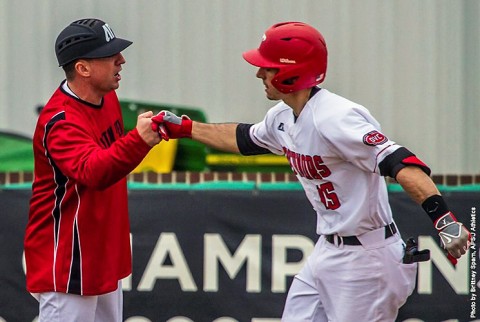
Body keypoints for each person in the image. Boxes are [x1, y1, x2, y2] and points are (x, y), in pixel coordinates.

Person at [151, 22, 471, 321]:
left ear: (291, 73)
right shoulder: (284, 115)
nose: (260, 72)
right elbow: (244, 139)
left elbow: (400, 162)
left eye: (269, 66)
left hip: (366, 260)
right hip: (327, 250)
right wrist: (188, 129)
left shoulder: (335, 117)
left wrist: (444, 219)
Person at [24, 18, 161, 321]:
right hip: (68, 261)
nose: (121, 60)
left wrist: (147, 135)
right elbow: (93, 172)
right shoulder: (60, 121)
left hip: (101, 256)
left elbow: (111, 157)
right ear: (83, 68)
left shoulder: (106, 97)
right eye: (110, 54)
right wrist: (138, 141)